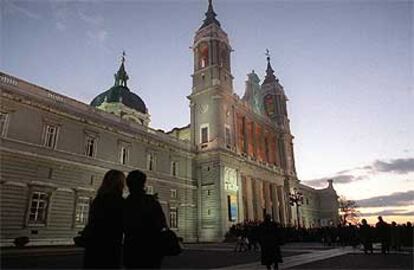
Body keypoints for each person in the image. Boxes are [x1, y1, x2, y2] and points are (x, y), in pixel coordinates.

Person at [123, 170, 168, 269]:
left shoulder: (125, 203)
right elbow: (162, 223)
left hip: (131, 250)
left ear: (128, 184)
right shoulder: (151, 201)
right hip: (151, 249)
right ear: (143, 183)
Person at [82, 169, 125, 269]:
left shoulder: (98, 200)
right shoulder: (120, 202)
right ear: (119, 184)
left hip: (93, 248)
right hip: (111, 248)